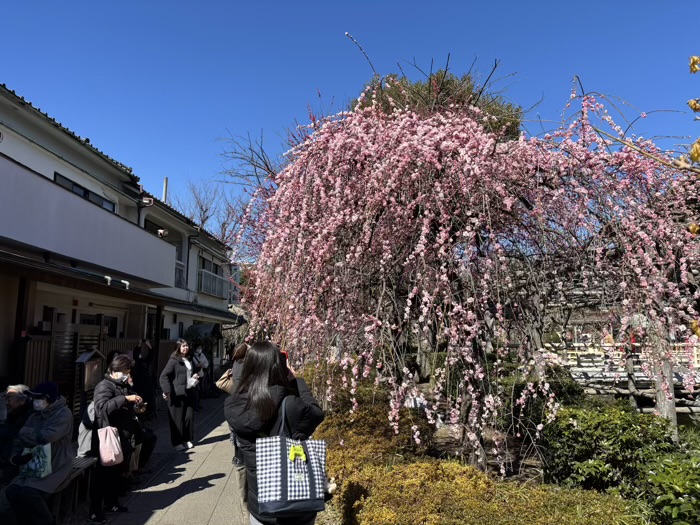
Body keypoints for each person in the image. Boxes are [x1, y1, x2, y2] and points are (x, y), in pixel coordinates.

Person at [224, 342, 325, 525]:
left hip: (261, 503)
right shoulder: (290, 404)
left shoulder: (234, 405)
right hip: (295, 502)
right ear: (278, 366)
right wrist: (296, 380)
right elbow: (316, 414)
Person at [4, 382, 72, 525]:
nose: (36, 402)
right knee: (12, 491)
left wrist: (25, 433)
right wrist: (15, 457)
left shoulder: (64, 414)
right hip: (33, 463)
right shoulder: (35, 416)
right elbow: (20, 440)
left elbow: (48, 436)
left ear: (49, 398)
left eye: (39, 398)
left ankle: (47, 522)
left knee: (30, 493)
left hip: (56, 464)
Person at [88, 354, 146, 523]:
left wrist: (136, 407)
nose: (127, 375)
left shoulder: (121, 385)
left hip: (122, 437)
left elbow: (124, 408)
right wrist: (124, 398)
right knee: (102, 476)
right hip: (107, 439)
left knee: (116, 473)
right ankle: (95, 511)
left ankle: (112, 503)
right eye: (125, 372)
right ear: (114, 371)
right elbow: (101, 408)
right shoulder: (104, 386)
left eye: (128, 372)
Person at [159, 338, 198, 450]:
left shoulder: (189, 359)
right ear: (178, 348)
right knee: (177, 419)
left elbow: (189, 373)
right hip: (176, 394)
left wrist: (194, 377)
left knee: (189, 417)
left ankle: (187, 439)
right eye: (183, 346)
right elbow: (163, 376)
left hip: (189, 391)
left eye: (186, 345)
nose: (185, 348)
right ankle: (177, 442)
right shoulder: (173, 360)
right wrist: (167, 391)